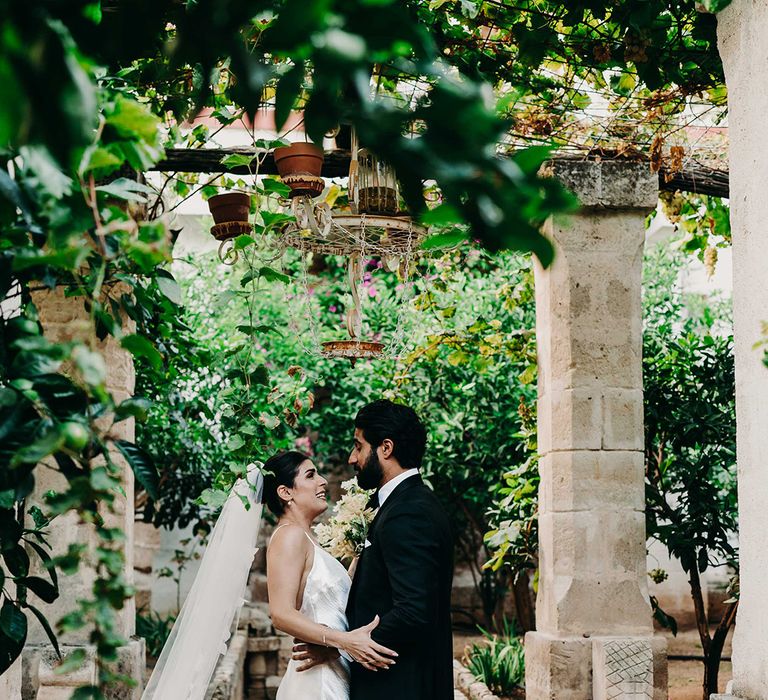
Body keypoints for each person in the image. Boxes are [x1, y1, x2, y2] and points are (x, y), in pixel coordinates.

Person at [296, 400, 454, 700]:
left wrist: (341, 647)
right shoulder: (401, 504)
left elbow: (413, 611)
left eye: (358, 446)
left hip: (402, 686)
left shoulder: (409, 512)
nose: (352, 458)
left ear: (385, 448)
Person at [264, 450, 398, 699]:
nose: (323, 481)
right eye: (311, 475)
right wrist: (344, 641)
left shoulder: (308, 539)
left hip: (335, 667)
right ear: (285, 492)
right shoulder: (288, 536)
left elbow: (331, 599)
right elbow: (281, 614)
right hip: (319, 681)